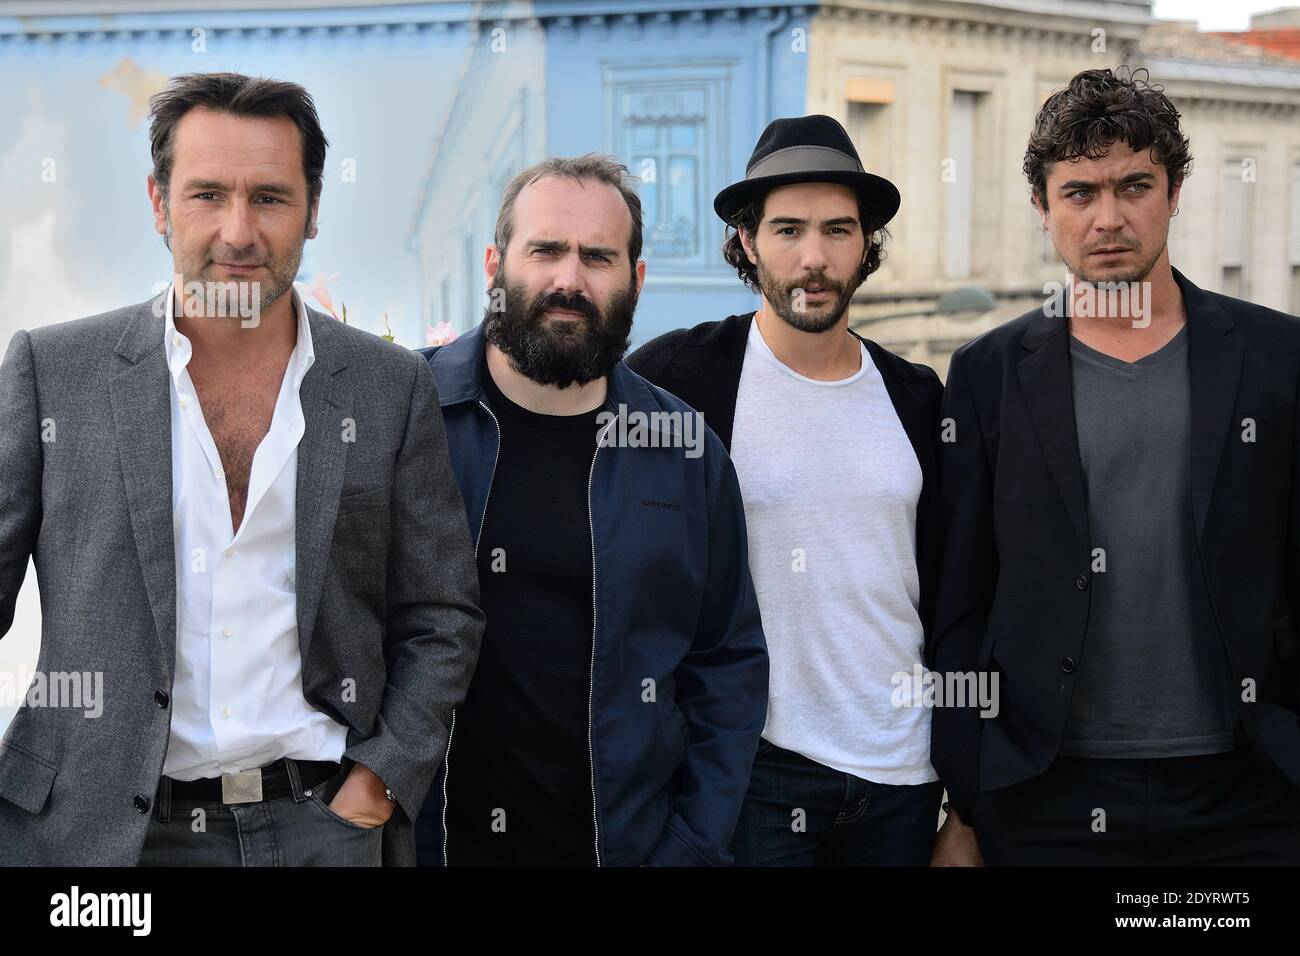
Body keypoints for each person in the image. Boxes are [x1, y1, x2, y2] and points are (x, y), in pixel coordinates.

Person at [0, 72, 484, 866]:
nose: (238, 230)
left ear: (314, 210)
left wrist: (382, 780)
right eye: (206, 195)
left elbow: (443, 614)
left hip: (321, 826)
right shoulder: (54, 371)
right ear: (158, 205)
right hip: (97, 838)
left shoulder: (386, 387)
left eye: (269, 196)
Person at [931, 67, 1300, 866]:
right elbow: (960, 599)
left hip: (1252, 791)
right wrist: (966, 795)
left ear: (1173, 192)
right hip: (1046, 790)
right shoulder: (988, 374)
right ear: (1043, 208)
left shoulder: (1280, 358)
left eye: (1134, 185)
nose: (1108, 218)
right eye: (1079, 193)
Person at [415, 154, 768, 866]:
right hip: (434, 847)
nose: (568, 280)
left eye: (597, 257)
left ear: (636, 280)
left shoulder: (685, 451)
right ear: (495, 263)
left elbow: (726, 665)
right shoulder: (411, 414)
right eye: (545, 249)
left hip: (622, 850)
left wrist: (690, 846)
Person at [629, 115, 946, 866]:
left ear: (867, 244)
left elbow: (959, 589)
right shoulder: (677, 380)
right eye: (787, 230)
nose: (814, 258)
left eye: (838, 230)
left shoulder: (920, 397)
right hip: (754, 771)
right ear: (746, 242)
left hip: (903, 773)